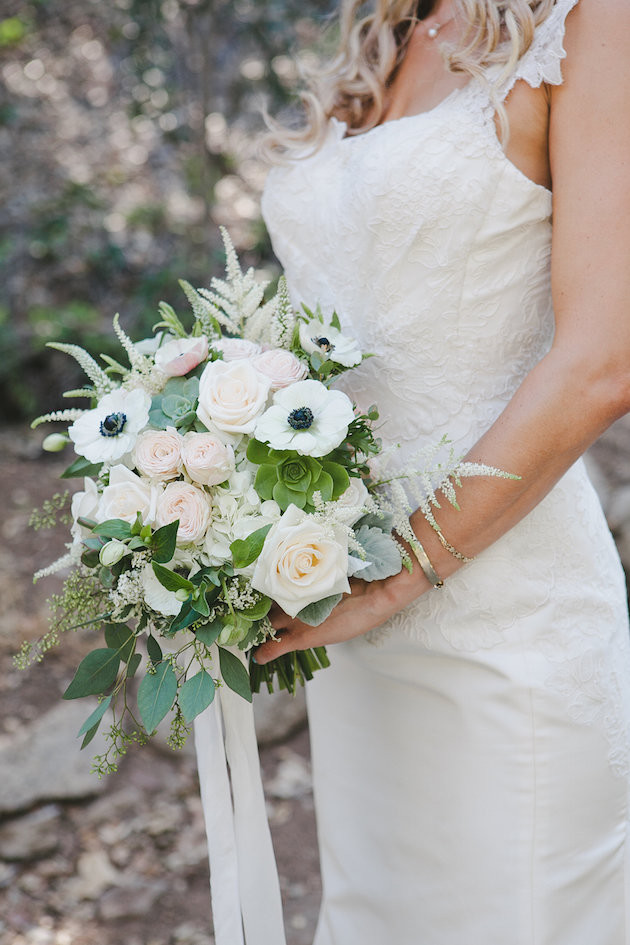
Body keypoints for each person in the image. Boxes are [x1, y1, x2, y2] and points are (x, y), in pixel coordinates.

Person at [254, 1, 630, 942]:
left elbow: (602, 363)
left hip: (504, 622)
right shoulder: (391, 35)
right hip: (350, 634)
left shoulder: (592, 20)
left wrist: (395, 576)